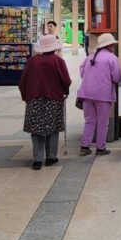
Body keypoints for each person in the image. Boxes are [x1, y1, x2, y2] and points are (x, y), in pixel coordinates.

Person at [19, 34, 71, 170]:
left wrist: (26, 96)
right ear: (54, 48)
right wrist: (65, 91)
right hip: (53, 98)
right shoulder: (58, 61)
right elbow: (66, 80)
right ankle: (51, 157)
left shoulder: (32, 61)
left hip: (34, 99)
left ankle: (37, 159)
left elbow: (22, 81)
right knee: (52, 127)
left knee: (36, 129)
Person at [77, 33, 121, 156]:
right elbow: (117, 77)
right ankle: (100, 148)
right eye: (113, 44)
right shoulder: (112, 58)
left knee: (89, 121)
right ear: (110, 45)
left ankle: (84, 146)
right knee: (103, 122)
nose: (114, 46)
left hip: (86, 93)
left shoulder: (90, 57)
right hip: (103, 95)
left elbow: (82, 73)